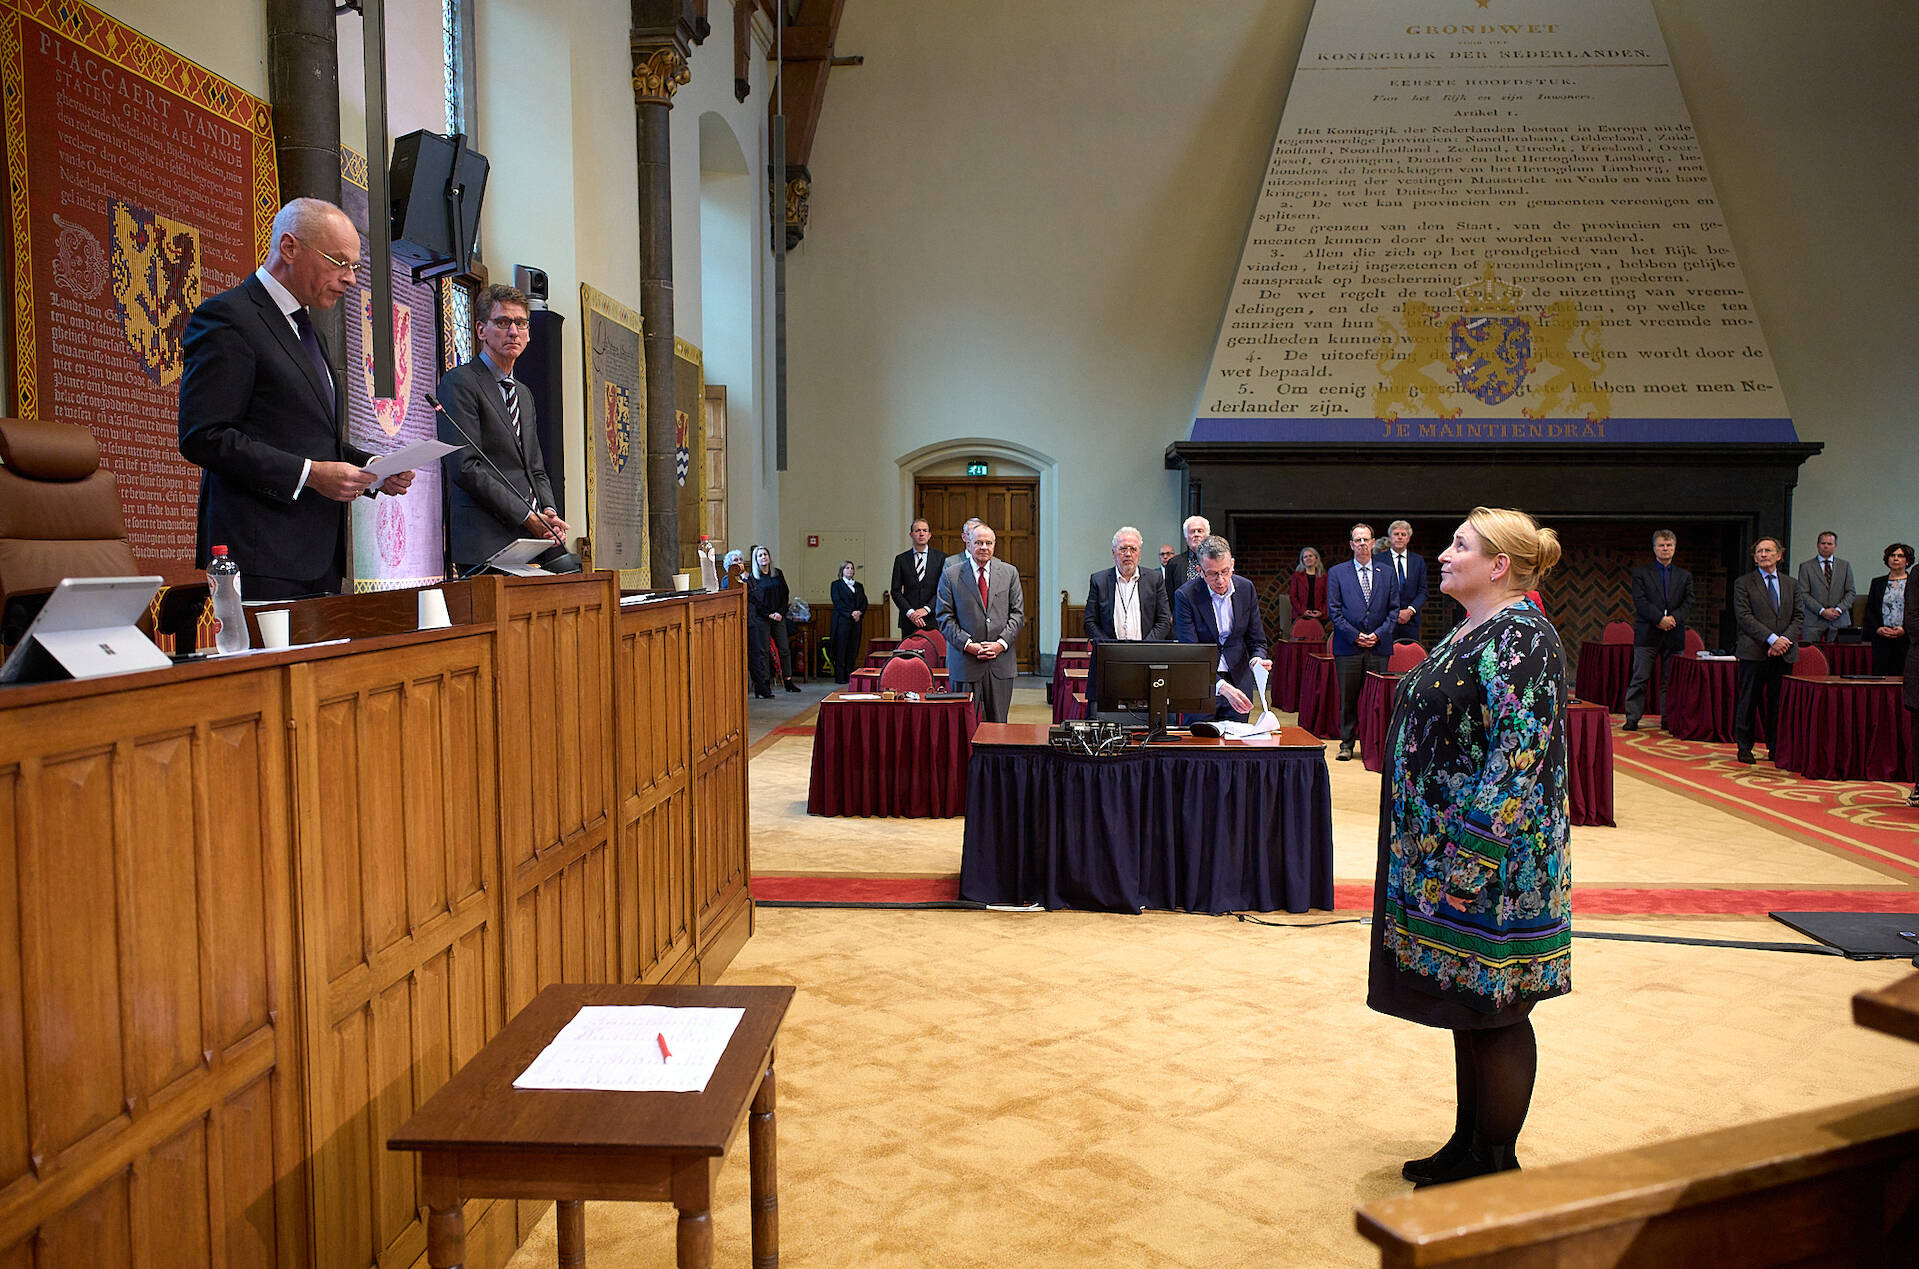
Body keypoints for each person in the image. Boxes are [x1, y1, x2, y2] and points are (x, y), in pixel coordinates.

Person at [1370, 506, 1569, 1189]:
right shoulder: (1472, 628)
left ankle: (1495, 1161)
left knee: (1498, 1006)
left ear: (1498, 566)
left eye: (1459, 545)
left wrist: (1471, 854)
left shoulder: (1524, 637)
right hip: (1452, 854)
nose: (1443, 554)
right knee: (1467, 1002)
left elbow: (1515, 756)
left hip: (1497, 864)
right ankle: (1467, 1141)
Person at [178, 197, 415, 598]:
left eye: (354, 267)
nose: (351, 279)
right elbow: (204, 435)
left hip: (316, 553)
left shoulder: (308, 329)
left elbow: (307, 438)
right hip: (260, 552)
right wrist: (310, 475)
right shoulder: (228, 318)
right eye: (339, 262)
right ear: (289, 248)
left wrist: (373, 468)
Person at [436, 283, 569, 570]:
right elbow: (466, 467)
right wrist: (528, 516)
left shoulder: (523, 393)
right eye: (503, 322)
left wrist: (548, 511)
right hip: (484, 541)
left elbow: (534, 468)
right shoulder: (460, 383)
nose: (513, 331)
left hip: (527, 542)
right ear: (481, 330)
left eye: (521, 323)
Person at [1172, 535, 1270, 722]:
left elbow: (1256, 640)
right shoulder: (1186, 595)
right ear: (1200, 571)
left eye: (1225, 571)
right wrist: (1221, 686)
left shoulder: (1246, 588)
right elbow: (1191, 652)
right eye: (1213, 573)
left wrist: (1257, 660)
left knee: (1235, 746)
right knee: (1199, 745)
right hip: (1201, 683)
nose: (1221, 580)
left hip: (1239, 680)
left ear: (1232, 564)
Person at [936, 523, 1025, 723]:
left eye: (988, 543)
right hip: (965, 663)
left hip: (1000, 663)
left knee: (999, 726)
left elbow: (1017, 615)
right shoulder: (952, 575)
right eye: (978, 542)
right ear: (968, 544)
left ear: (994, 545)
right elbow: (944, 617)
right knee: (964, 726)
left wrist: (1000, 644)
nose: (984, 547)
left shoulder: (1010, 573)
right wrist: (969, 646)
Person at [1326, 522, 1396, 760]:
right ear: (1351, 544)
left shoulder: (1387, 572)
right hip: (1348, 647)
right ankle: (1347, 744)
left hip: (1379, 646)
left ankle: (1375, 745)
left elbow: (1394, 610)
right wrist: (1356, 636)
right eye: (1358, 540)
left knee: (1376, 700)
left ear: (1373, 542)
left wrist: (1378, 634)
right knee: (1349, 697)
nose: (1362, 543)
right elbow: (1334, 612)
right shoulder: (1337, 573)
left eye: (1366, 539)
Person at [1083, 525, 1173, 708]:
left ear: (1139, 553)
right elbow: (1090, 622)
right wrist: (1111, 649)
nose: (1128, 554)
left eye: (1133, 549)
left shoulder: (1155, 579)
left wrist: (1144, 648)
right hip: (1108, 662)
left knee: (1147, 721)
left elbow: (1164, 620)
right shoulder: (1099, 580)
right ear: (1113, 552)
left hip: (1147, 660)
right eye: (1123, 548)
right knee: (1103, 719)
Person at [1732, 537, 1801, 765]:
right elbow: (1744, 617)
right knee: (1748, 700)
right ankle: (1744, 747)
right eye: (1759, 551)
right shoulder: (1743, 583)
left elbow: (1799, 616)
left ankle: (1775, 747)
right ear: (1754, 558)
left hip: (1784, 652)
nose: (1763, 554)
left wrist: (1783, 641)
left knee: (1777, 703)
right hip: (1754, 651)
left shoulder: (1791, 584)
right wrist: (1771, 639)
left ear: (1779, 555)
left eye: (1768, 551)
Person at [1623, 529, 1694, 731]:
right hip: (1648, 633)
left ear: (1674, 548)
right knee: (1640, 677)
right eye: (1661, 545)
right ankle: (1632, 717)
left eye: (1669, 545)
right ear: (1654, 548)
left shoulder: (1684, 575)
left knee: (1670, 681)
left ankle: (1668, 718)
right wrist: (1659, 619)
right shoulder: (1641, 573)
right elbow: (1640, 601)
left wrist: (1672, 619)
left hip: (1674, 634)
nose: (1665, 548)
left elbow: (1689, 602)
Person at [747, 544, 800, 698]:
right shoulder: (753, 579)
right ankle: (763, 685)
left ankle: (788, 680)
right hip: (762, 618)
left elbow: (785, 594)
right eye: (760, 555)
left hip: (779, 616)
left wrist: (780, 612)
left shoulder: (777, 574)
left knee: (784, 649)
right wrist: (769, 614)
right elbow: (755, 601)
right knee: (763, 652)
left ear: (769, 557)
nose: (763, 557)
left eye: (765, 554)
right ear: (756, 560)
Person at [1795, 531, 1854, 645]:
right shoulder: (1806, 567)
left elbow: (1850, 592)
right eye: (1823, 543)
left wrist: (1838, 609)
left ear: (1835, 546)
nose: (1826, 546)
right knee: (1812, 657)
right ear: (1817, 545)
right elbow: (1803, 593)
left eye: (1829, 543)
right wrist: (1822, 611)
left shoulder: (1845, 566)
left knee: (1837, 659)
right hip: (1813, 621)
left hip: (1839, 620)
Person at [888, 519, 945, 637]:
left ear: (929, 535)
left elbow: (943, 589)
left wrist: (927, 609)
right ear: (911, 534)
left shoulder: (941, 558)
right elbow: (895, 591)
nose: (921, 533)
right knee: (909, 654)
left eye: (925, 530)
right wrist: (910, 613)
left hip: (933, 618)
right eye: (917, 530)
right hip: (909, 620)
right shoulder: (901, 559)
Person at [1866, 543, 1912, 676]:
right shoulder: (1877, 582)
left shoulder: (1914, 583)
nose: (1895, 559)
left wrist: (1905, 629)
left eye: (1900, 556)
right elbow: (1870, 609)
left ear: (1907, 561)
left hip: (1906, 638)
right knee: (1882, 675)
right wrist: (1878, 628)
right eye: (1892, 555)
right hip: (1882, 638)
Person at [1384, 520, 1428, 644]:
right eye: (1396, 534)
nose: (1399, 537)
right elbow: (1376, 592)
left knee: (1410, 659)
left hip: (1411, 621)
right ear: (1390, 538)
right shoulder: (1378, 560)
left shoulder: (1418, 561)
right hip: (1385, 620)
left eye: (1403, 534)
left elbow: (1423, 591)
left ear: (1408, 538)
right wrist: (1394, 613)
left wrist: (1410, 610)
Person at [828, 560, 867, 684]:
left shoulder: (859, 586)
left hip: (856, 622)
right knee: (841, 648)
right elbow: (837, 602)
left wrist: (859, 612)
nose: (850, 570)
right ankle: (840, 676)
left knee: (853, 648)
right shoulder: (836, 585)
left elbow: (864, 602)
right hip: (842, 621)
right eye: (847, 568)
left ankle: (850, 675)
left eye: (851, 568)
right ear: (842, 571)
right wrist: (851, 613)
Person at [1163, 515, 1211, 591]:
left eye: (1200, 531)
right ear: (1186, 536)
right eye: (1192, 531)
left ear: (1207, 535)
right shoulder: (1174, 564)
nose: (1196, 534)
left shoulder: (1216, 561)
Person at [1288, 546, 1328, 628]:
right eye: (1305, 557)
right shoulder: (1297, 576)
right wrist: (1303, 611)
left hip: (1319, 615)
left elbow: (1327, 596)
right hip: (1300, 615)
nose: (1308, 558)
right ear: (1302, 560)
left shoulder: (1323, 576)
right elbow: (1293, 597)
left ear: (1316, 558)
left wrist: (1321, 611)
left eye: (1310, 556)